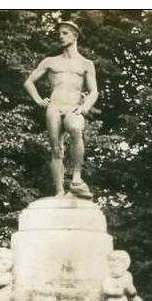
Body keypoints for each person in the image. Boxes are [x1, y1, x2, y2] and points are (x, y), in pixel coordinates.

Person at [24, 20, 99, 199]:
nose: (61, 36)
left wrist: (85, 107)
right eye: (59, 33)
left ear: (75, 35)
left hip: (74, 108)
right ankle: (59, 191)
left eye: (65, 33)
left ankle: (76, 177)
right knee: (56, 149)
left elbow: (94, 91)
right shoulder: (51, 61)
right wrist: (39, 100)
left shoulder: (86, 63)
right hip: (54, 107)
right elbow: (28, 82)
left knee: (75, 128)